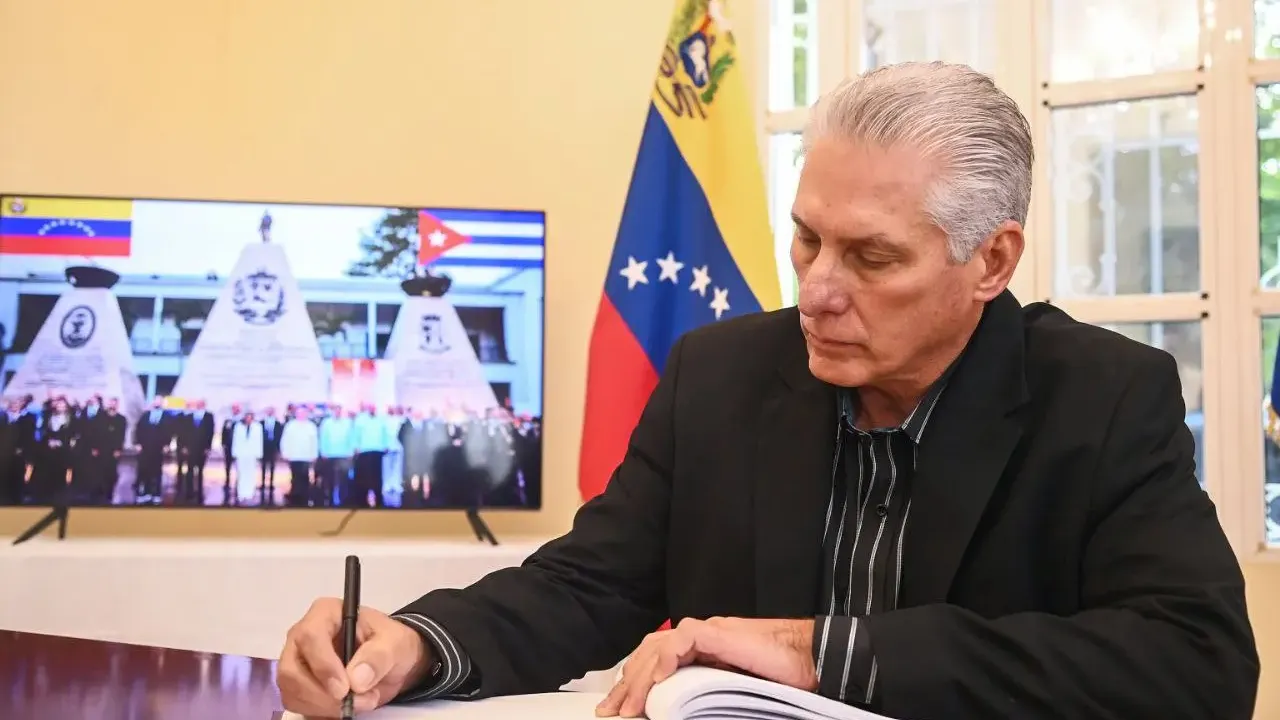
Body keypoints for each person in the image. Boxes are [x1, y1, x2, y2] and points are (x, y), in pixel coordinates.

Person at [276, 62, 1260, 719]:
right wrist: (417, 644)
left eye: (871, 256)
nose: (817, 290)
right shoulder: (722, 374)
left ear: (990, 262)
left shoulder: (1100, 398)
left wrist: (821, 652)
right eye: (807, 238)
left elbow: (1196, 664)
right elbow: (588, 585)